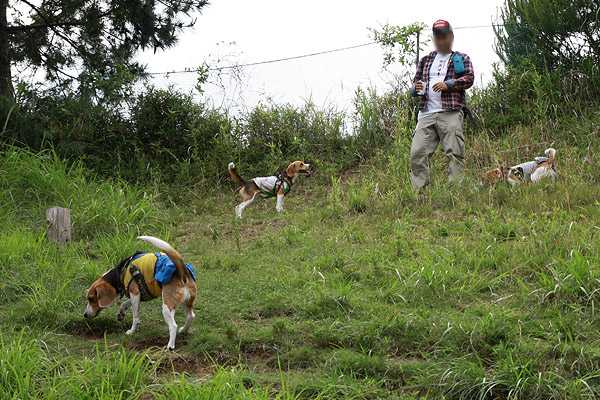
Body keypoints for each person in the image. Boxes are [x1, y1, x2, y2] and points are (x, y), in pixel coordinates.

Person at [409, 19, 474, 191]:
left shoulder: (461, 58)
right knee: (417, 153)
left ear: (451, 37)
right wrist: (416, 88)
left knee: (454, 152)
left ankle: (457, 192)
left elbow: (469, 78)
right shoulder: (425, 60)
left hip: (450, 111)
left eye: (444, 36)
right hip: (426, 113)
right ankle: (420, 195)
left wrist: (449, 84)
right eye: (437, 37)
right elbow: (416, 84)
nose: (441, 40)